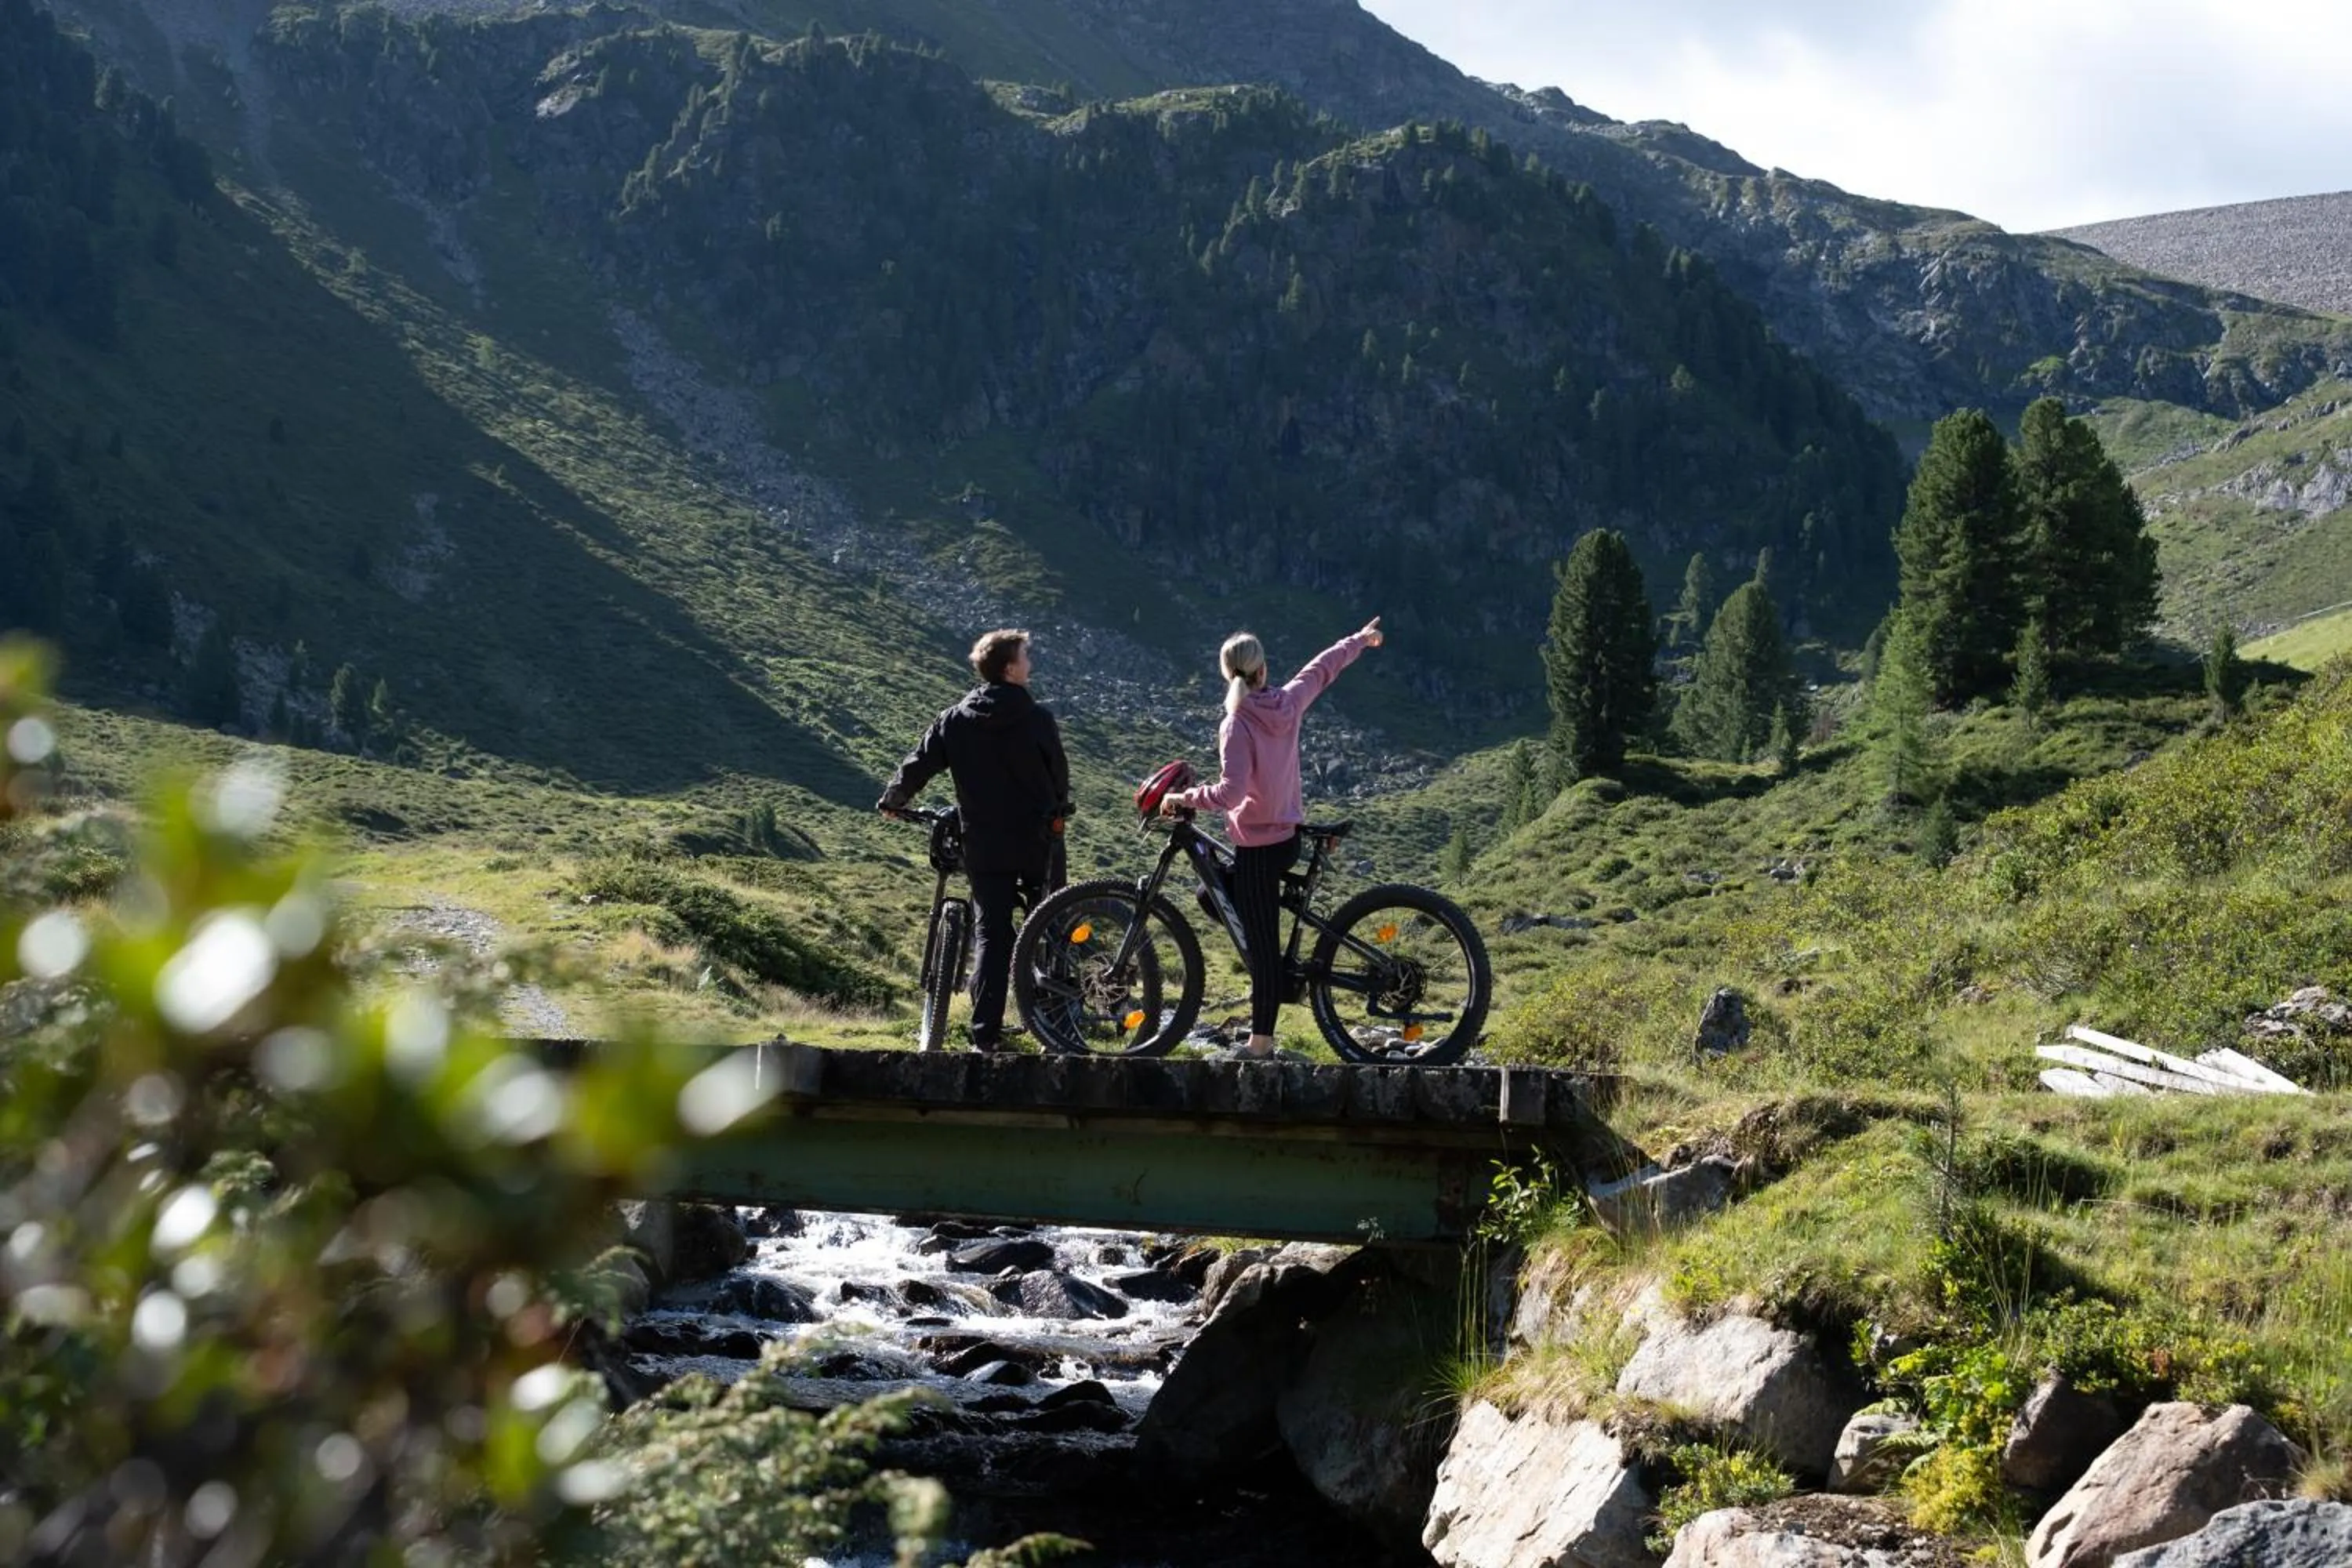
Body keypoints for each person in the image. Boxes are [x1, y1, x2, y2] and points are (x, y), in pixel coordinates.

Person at [1163, 616, 1382, 1058]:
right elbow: (1322, 668)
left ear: (1228, 674)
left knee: (1262, 948)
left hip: (1259, 847)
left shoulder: (1236, 722)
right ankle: (1279, 980)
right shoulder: (1287, 702)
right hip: (1285, 838)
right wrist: (1359, 639)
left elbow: (1232, 793)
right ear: (1263, 670)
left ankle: (1260, 1043)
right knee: (1215, 898)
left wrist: (1184, 797)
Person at [879, 628, 1071, 1052]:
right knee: (1051, 927)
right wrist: (1058, 806)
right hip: (1038, 840)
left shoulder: (955, 719)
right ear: (1009, 668)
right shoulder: (1038, 719)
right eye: (1026, 657)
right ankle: (1055, 1029)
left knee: (992, 936)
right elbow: (1059, 779)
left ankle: (985, 1036)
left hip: (984, 844)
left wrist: (894, 799)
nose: (1031, 664)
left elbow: (920, 763)